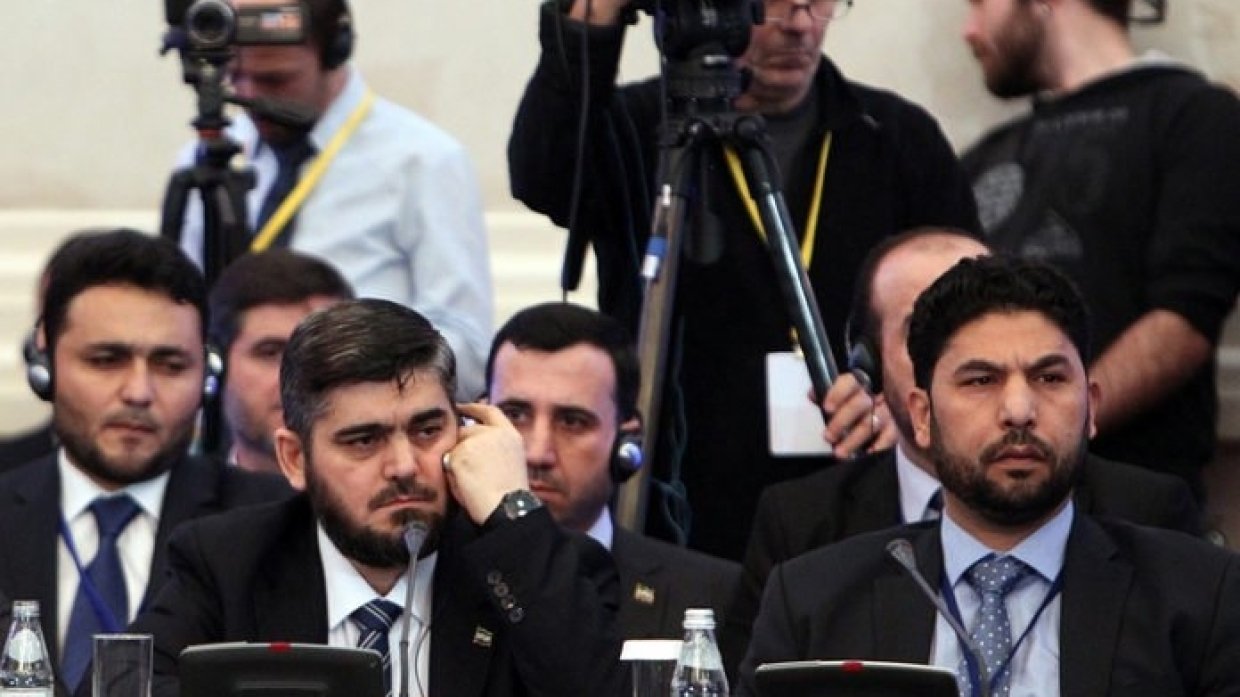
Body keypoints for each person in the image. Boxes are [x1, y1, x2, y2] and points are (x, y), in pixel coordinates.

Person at [509, 0, 978, 559]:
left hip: (855, 504)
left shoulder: (895, 137)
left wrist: (906, 409)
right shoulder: (639, 128)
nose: (800, 25)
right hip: (679, 507)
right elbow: (543, 173)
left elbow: (970, 315)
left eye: (818, 3)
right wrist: (596, 20)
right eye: (772, 3)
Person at [736, 255, 1240, 697]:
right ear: (922, 416)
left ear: (1090, 407)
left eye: (1049, 378)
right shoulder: (813, 601)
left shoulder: (1202, 597)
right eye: (981, 380)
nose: (1019, 410)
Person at [130, 299, 626, 697]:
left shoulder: (533, 567)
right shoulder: (226, 564)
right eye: (364, 440)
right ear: (295, 459)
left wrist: (512, 512)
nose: (405, 466)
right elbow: (123, 682)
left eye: (427, 430)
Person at [959, 0, 1240, 496]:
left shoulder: (1193, 115)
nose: (969, 30)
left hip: (1127, 500)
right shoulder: (984, 156)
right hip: (983, 502)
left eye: (980, 3)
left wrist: (1049, 422)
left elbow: (1184, 319)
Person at [0, 229, 290, 695]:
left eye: (171, 366)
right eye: (106, 360)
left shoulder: (273, 527)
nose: (138, 392)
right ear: (45, 362)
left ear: (209, 375)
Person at [175, 0, 493, 399]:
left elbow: (468, 345)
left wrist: (360, 375)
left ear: (335, 50)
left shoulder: (424, 162)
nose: (249, 96)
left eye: (275, 81)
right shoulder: (208, 159)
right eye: (235, 77)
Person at [487, 302, 741, 639]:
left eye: (572, 422)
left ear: (627, 442)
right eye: (514, 415)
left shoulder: (711, 594)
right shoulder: (435, 576)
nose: (537, 453)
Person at [208, 249, 354, 474]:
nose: (301, 378)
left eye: (322, 351)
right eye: (271, 353)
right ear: (216, 367)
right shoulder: (179, 495)